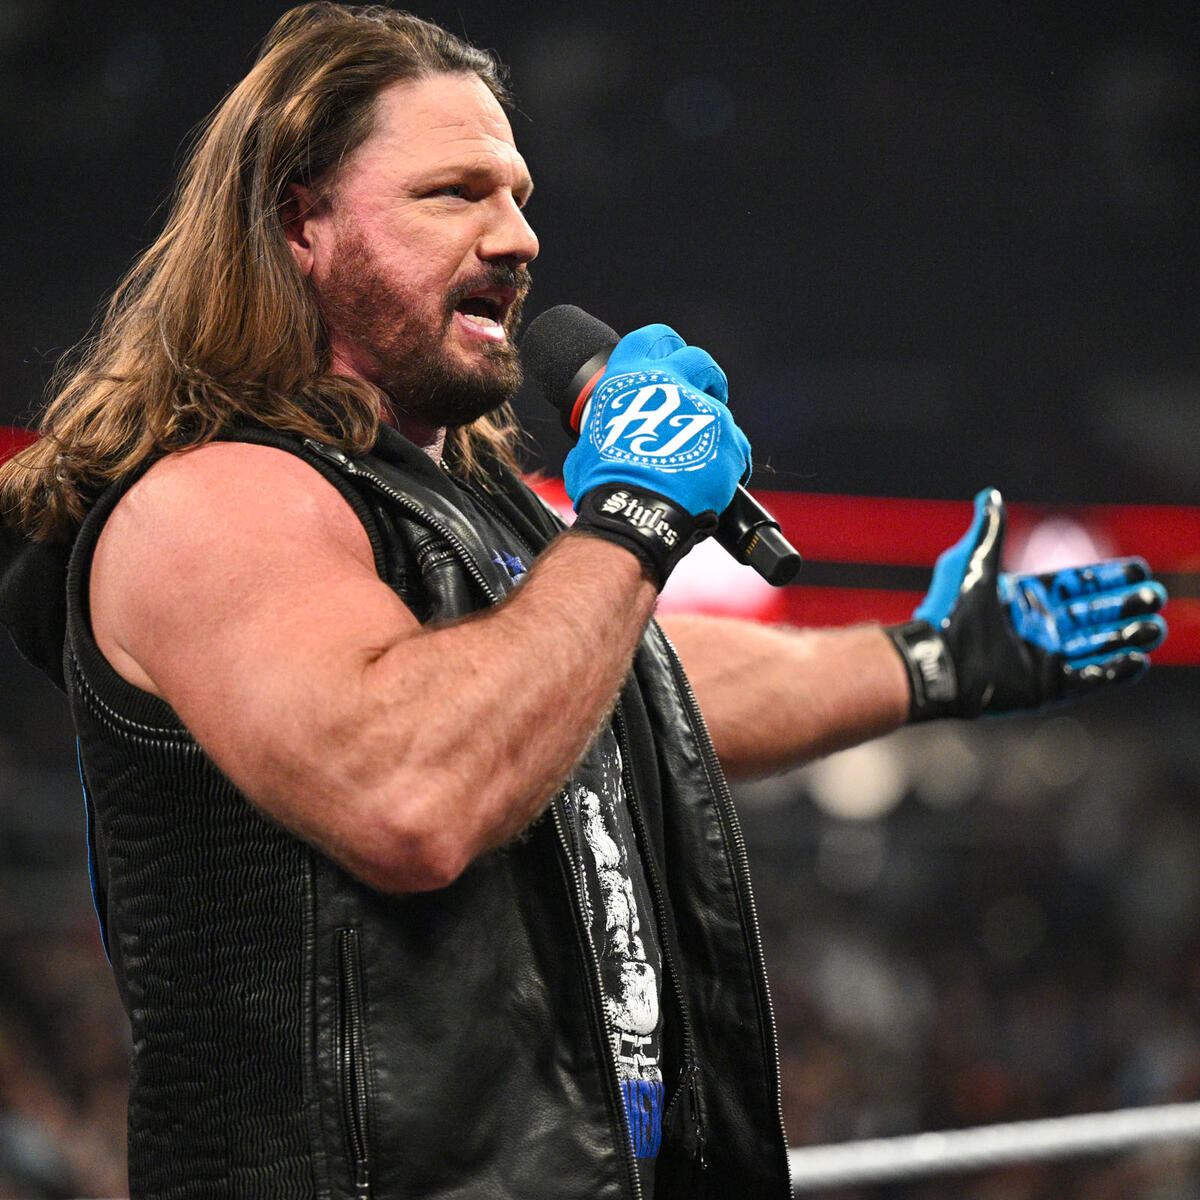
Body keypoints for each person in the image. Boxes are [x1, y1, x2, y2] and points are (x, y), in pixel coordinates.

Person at [0, 5, 1167, 1198]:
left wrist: (927, 660)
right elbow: (408, 789)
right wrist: (634, 521)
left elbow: (627, 686)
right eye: (454, 194)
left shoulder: (466, 508)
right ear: (303, 223)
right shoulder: (208, 503)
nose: (516, 237)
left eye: (518, 196)